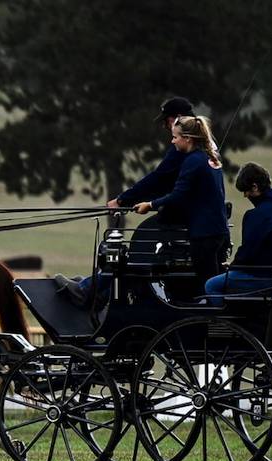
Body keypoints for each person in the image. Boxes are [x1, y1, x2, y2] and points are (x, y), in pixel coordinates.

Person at [55, 97, 195, 307]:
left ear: (178, 118)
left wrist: (123, 200)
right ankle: (99, 287)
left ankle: (88, 290)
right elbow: (167, 182)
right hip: (190, 218)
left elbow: (159, 178)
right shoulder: (203, 147)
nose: (167, 129)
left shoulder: (185, 149)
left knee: (138, 247)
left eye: (167, 121)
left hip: (181, 219)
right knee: (138, 246)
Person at [130, 114, 229, 300]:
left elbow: (178, 196)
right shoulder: (210, 158)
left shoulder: (193, 161)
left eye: (175, 137)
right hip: (219, 230)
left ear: (188, 138)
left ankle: (213, 315)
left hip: (204, 234)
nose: (172, 141)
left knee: (207, 282)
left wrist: (150, 205)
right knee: (214, 279)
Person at [203, 162, 272, 300]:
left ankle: (226, 314)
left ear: (255, 187)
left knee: (212, 285)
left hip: (263, 276)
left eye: (246, 191)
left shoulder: (256, 215)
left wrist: (234, 266)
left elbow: (249, 251)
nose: (245, 195)